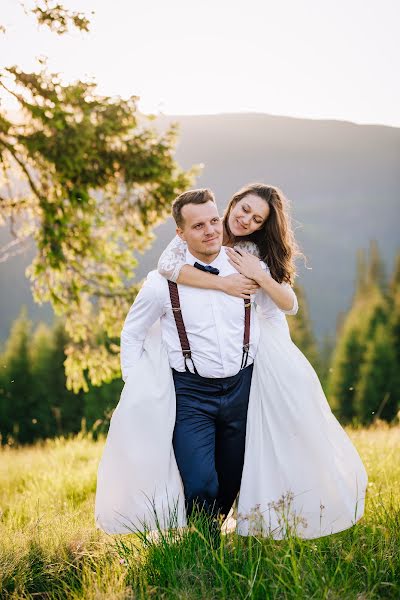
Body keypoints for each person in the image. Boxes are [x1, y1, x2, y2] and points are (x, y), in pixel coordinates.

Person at [157, 183, 368, 539]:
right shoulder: (203, 230)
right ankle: (209, 523)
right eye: (244, 210)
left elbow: (289, 304)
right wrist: (222, 286)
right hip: (224, 354)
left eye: (257, 219)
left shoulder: (253, 251)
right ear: (233, 202)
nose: (247, 220)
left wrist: (259, 274)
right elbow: (166, 267)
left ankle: (284, 512)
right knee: (237, 443)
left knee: (271, 436)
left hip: (263, 349)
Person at [95, 188, 283, 534]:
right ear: (180, 233)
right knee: (200, 484)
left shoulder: (247, 269)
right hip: (191, 395)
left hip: (242, 387)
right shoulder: (161, 284)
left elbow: (276, 314)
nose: (211, 230)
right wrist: (137, 388)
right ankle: (203, 552)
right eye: (198, 226)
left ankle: (204, 533)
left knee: (232, 479)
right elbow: (132, 334)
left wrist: (279, 371)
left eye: (214, 221)